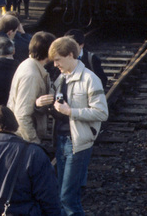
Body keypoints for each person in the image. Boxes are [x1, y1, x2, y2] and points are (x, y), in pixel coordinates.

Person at [43, 36, 108, 215]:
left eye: (58, 60)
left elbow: (102, 112)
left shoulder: (90, 79)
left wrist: (71, 112)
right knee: (62, 196)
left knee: (68, 198)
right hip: (62, 140)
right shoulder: (61, 78)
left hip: (77, 143)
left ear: (71, 55)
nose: (55, 64)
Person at [8, 32, 55, 144]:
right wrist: (34, 142)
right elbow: (22, 116)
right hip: (23, 139)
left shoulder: (30, 65)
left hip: (22, 137)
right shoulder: (31, 75)